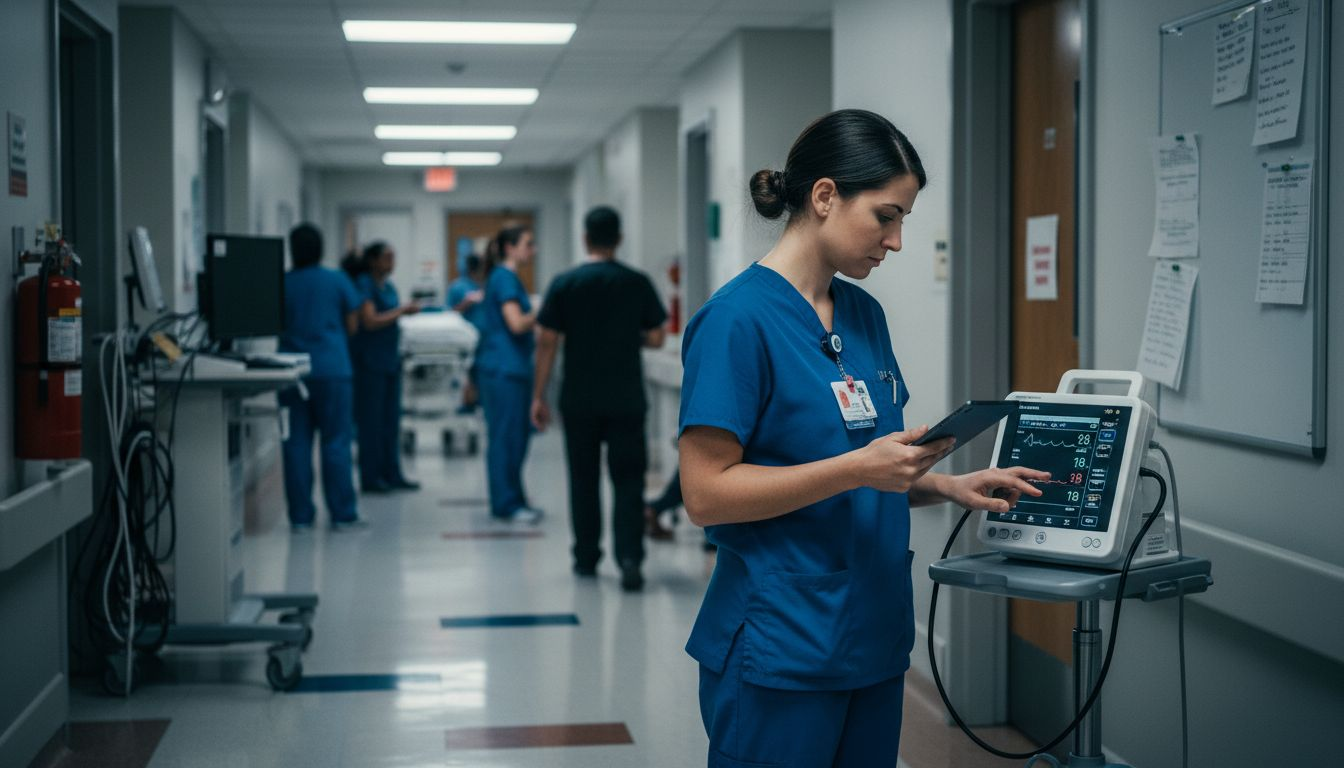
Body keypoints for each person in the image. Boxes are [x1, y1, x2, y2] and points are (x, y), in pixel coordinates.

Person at [677, 109, 1049, 767]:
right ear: (824, 197)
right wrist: (857, 469)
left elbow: (870, 469)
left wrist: (943, 484)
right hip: (782, 644)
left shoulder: (863, 315)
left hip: (871, 639)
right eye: (886, 216)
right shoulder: (736, 321)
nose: (897, 240)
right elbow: (706, 495)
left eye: (903, 219)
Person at [532, 206, 667, 591]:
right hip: (625, 398)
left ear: (585, 238)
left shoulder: (565, 283)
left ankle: (587, 557)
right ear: (619, 239)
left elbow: (547, 342)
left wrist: (538, 395)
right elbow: (657, 337)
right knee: (628, 479)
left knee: (583, 478)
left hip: (580, 400)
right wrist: (629, 337)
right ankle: (629, 559)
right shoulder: (636, 282)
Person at [277, 224, 365, 530]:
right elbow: (354, 325)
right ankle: (342, 515)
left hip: (291, 372)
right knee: (336, 442)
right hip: (333, 370)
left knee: (296, 445)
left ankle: (300, 518)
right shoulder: (337, 280)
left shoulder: (281, 283)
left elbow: (275, 323)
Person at [476, 225, 543, 524]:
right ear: (509, 248)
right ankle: (506, 503)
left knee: (514, 437)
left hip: (509, 368)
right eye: (528, 244)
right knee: (506, 438)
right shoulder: (503, 278)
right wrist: (545, 310)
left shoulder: (507, 278)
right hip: (503, 370)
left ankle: (514, 498)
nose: (533, 250)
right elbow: (516, 324)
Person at [351, 240, 421, 493]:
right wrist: (402, 311)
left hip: (390, 361)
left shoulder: (388, 286)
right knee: (371, 423)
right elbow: (369, 321)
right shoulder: (364, 284)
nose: (392, 262)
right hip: (369, 364)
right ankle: (371, 478)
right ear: (373, 260)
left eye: (394, 257)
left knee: (391, 422)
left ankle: (393, 473)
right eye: (387, 257)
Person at [446, 254, 487, 412]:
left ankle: (480, 403)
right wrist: (466, 303)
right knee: (468, 374)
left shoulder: (484, 285)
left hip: (484, 339)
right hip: (465, 341)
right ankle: (468, 403)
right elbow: (449, 313)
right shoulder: (458, 287)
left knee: (482, 373)